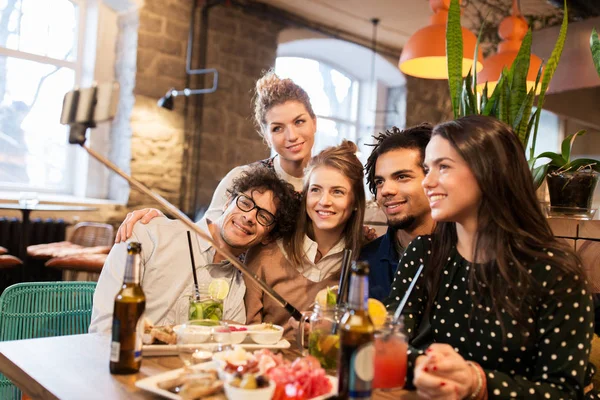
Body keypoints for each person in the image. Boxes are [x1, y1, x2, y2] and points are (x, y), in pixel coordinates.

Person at [386, 115, 594, 398]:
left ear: (490, 172)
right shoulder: (424, 252)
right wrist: (426, 365)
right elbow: (390, 341)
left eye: (443, 167)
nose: (428, 182)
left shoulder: (556, 272)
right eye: (427, 168)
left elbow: (564, 392)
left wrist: (478, 383)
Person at [89, 166, 299, 333]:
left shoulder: (236, 289)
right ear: (227, 203)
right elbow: (104, 328)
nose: (250, 217)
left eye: (264, 217)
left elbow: (224, 351)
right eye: (245, 202)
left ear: (268, 236)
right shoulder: (148, 234)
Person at [113, 71, 316, 241]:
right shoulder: (243, 177)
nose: (292, 136)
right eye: (278, 128)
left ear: (314, 122)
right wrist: (158, 222)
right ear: (266, 136)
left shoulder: (331, 183)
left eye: (299, 122)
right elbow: (202, 235)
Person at [244, 141, 366, 335]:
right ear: (305, 195)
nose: (324, 201)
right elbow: (245, 333)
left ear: (355, 202)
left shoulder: (365, 262)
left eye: (337, 192)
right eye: (316, 190)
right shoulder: (266, 253)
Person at [360, 124, 435, 300]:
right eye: (380, 181)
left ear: (434, 179)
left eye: (401, 177)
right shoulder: (365, 262)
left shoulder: (467, 255)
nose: (386, 190)